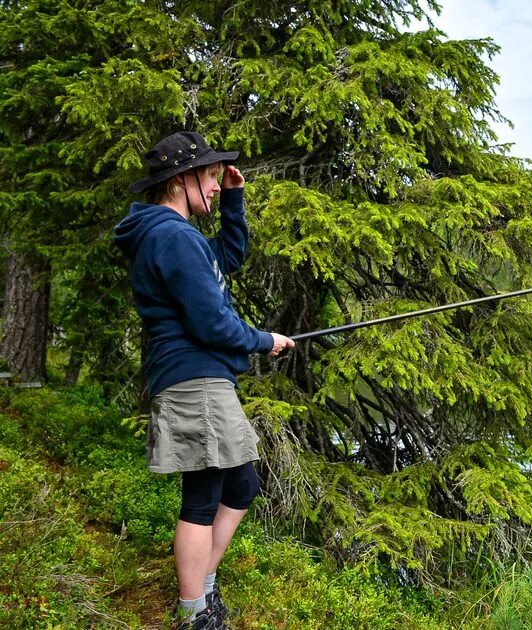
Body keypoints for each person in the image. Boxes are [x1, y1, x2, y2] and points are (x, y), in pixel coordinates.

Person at [113, 131, 294, 629]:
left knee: (242, 485)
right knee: (204, 496)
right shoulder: (170, 236)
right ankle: (194, 614)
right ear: (180, 180)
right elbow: (211, 323)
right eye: (211, 176)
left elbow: (225, 261)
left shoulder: (180, 236)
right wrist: (264, 340)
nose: (215, 185)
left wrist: (234, 200)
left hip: (202, 377)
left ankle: (203, 591)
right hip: (194, 378)